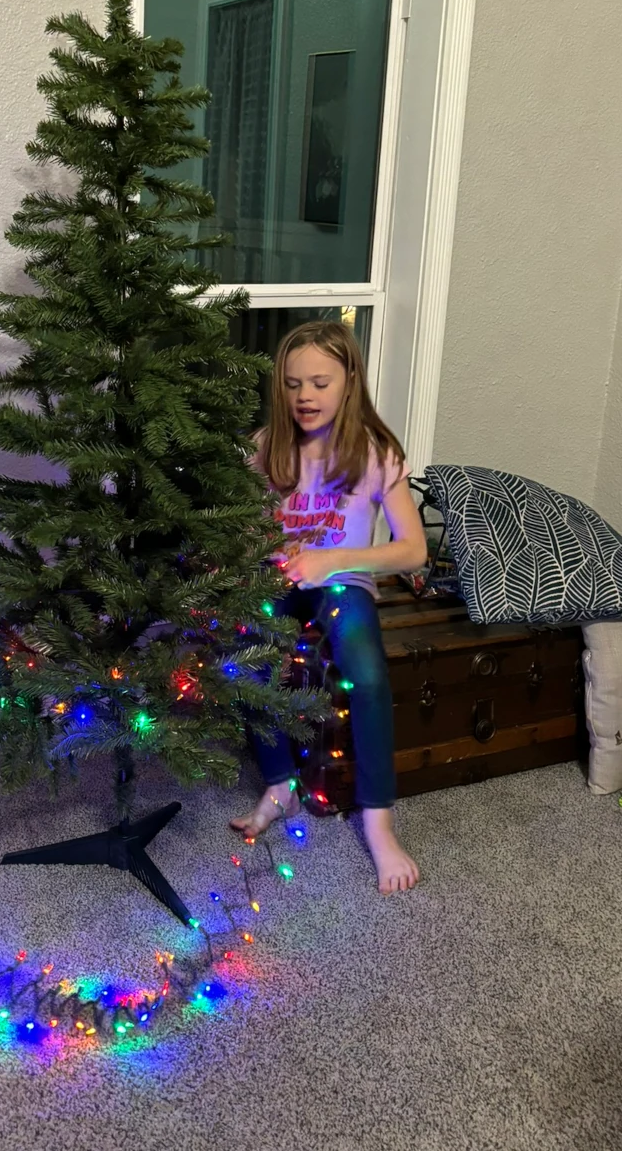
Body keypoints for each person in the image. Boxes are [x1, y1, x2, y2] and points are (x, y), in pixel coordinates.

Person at [231, 321, 428, 894]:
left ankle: (377, 820)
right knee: (244, 652)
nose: (305, 397)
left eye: (319, 382)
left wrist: (331, 559)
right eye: (293, 384)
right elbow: (246, 528)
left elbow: (412, 549)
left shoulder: (375, 451)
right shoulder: (268, 445)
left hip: (344, 583)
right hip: (282, 578)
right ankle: (279, 785)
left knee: (365, 672)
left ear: (349, 382)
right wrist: (263, 550)